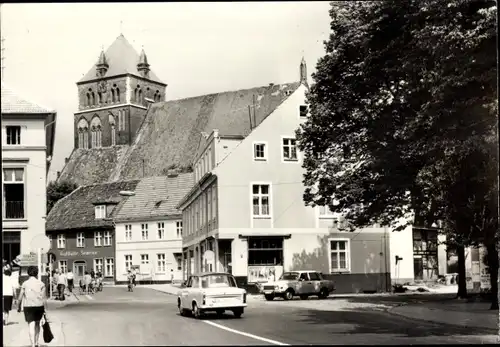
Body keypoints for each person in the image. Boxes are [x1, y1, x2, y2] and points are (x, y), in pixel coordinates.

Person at [17, 266, 48, 347]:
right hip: (39, 306)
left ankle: (33, 344)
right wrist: (46, 310)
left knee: (31, 325)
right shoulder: (41, 284)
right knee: (37, 324)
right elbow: (44, 298)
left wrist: (18, 306)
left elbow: (20, 297)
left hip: (28, 307)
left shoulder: (25, 284)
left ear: (28, 273)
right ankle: (37, 342)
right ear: (37, 273)